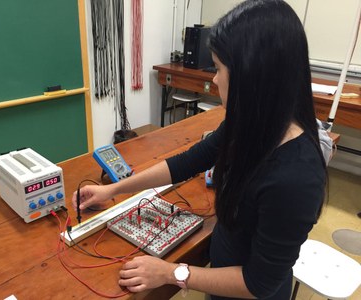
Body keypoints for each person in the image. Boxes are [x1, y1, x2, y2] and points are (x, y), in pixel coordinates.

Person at [72, 0, 327, 298]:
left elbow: (259, 284)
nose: (214, 79)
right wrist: (113, 190)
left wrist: (172, 272)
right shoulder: (248, 124)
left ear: (253, 75)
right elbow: (186, 162)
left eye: (219, 69)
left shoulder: (296, 178)